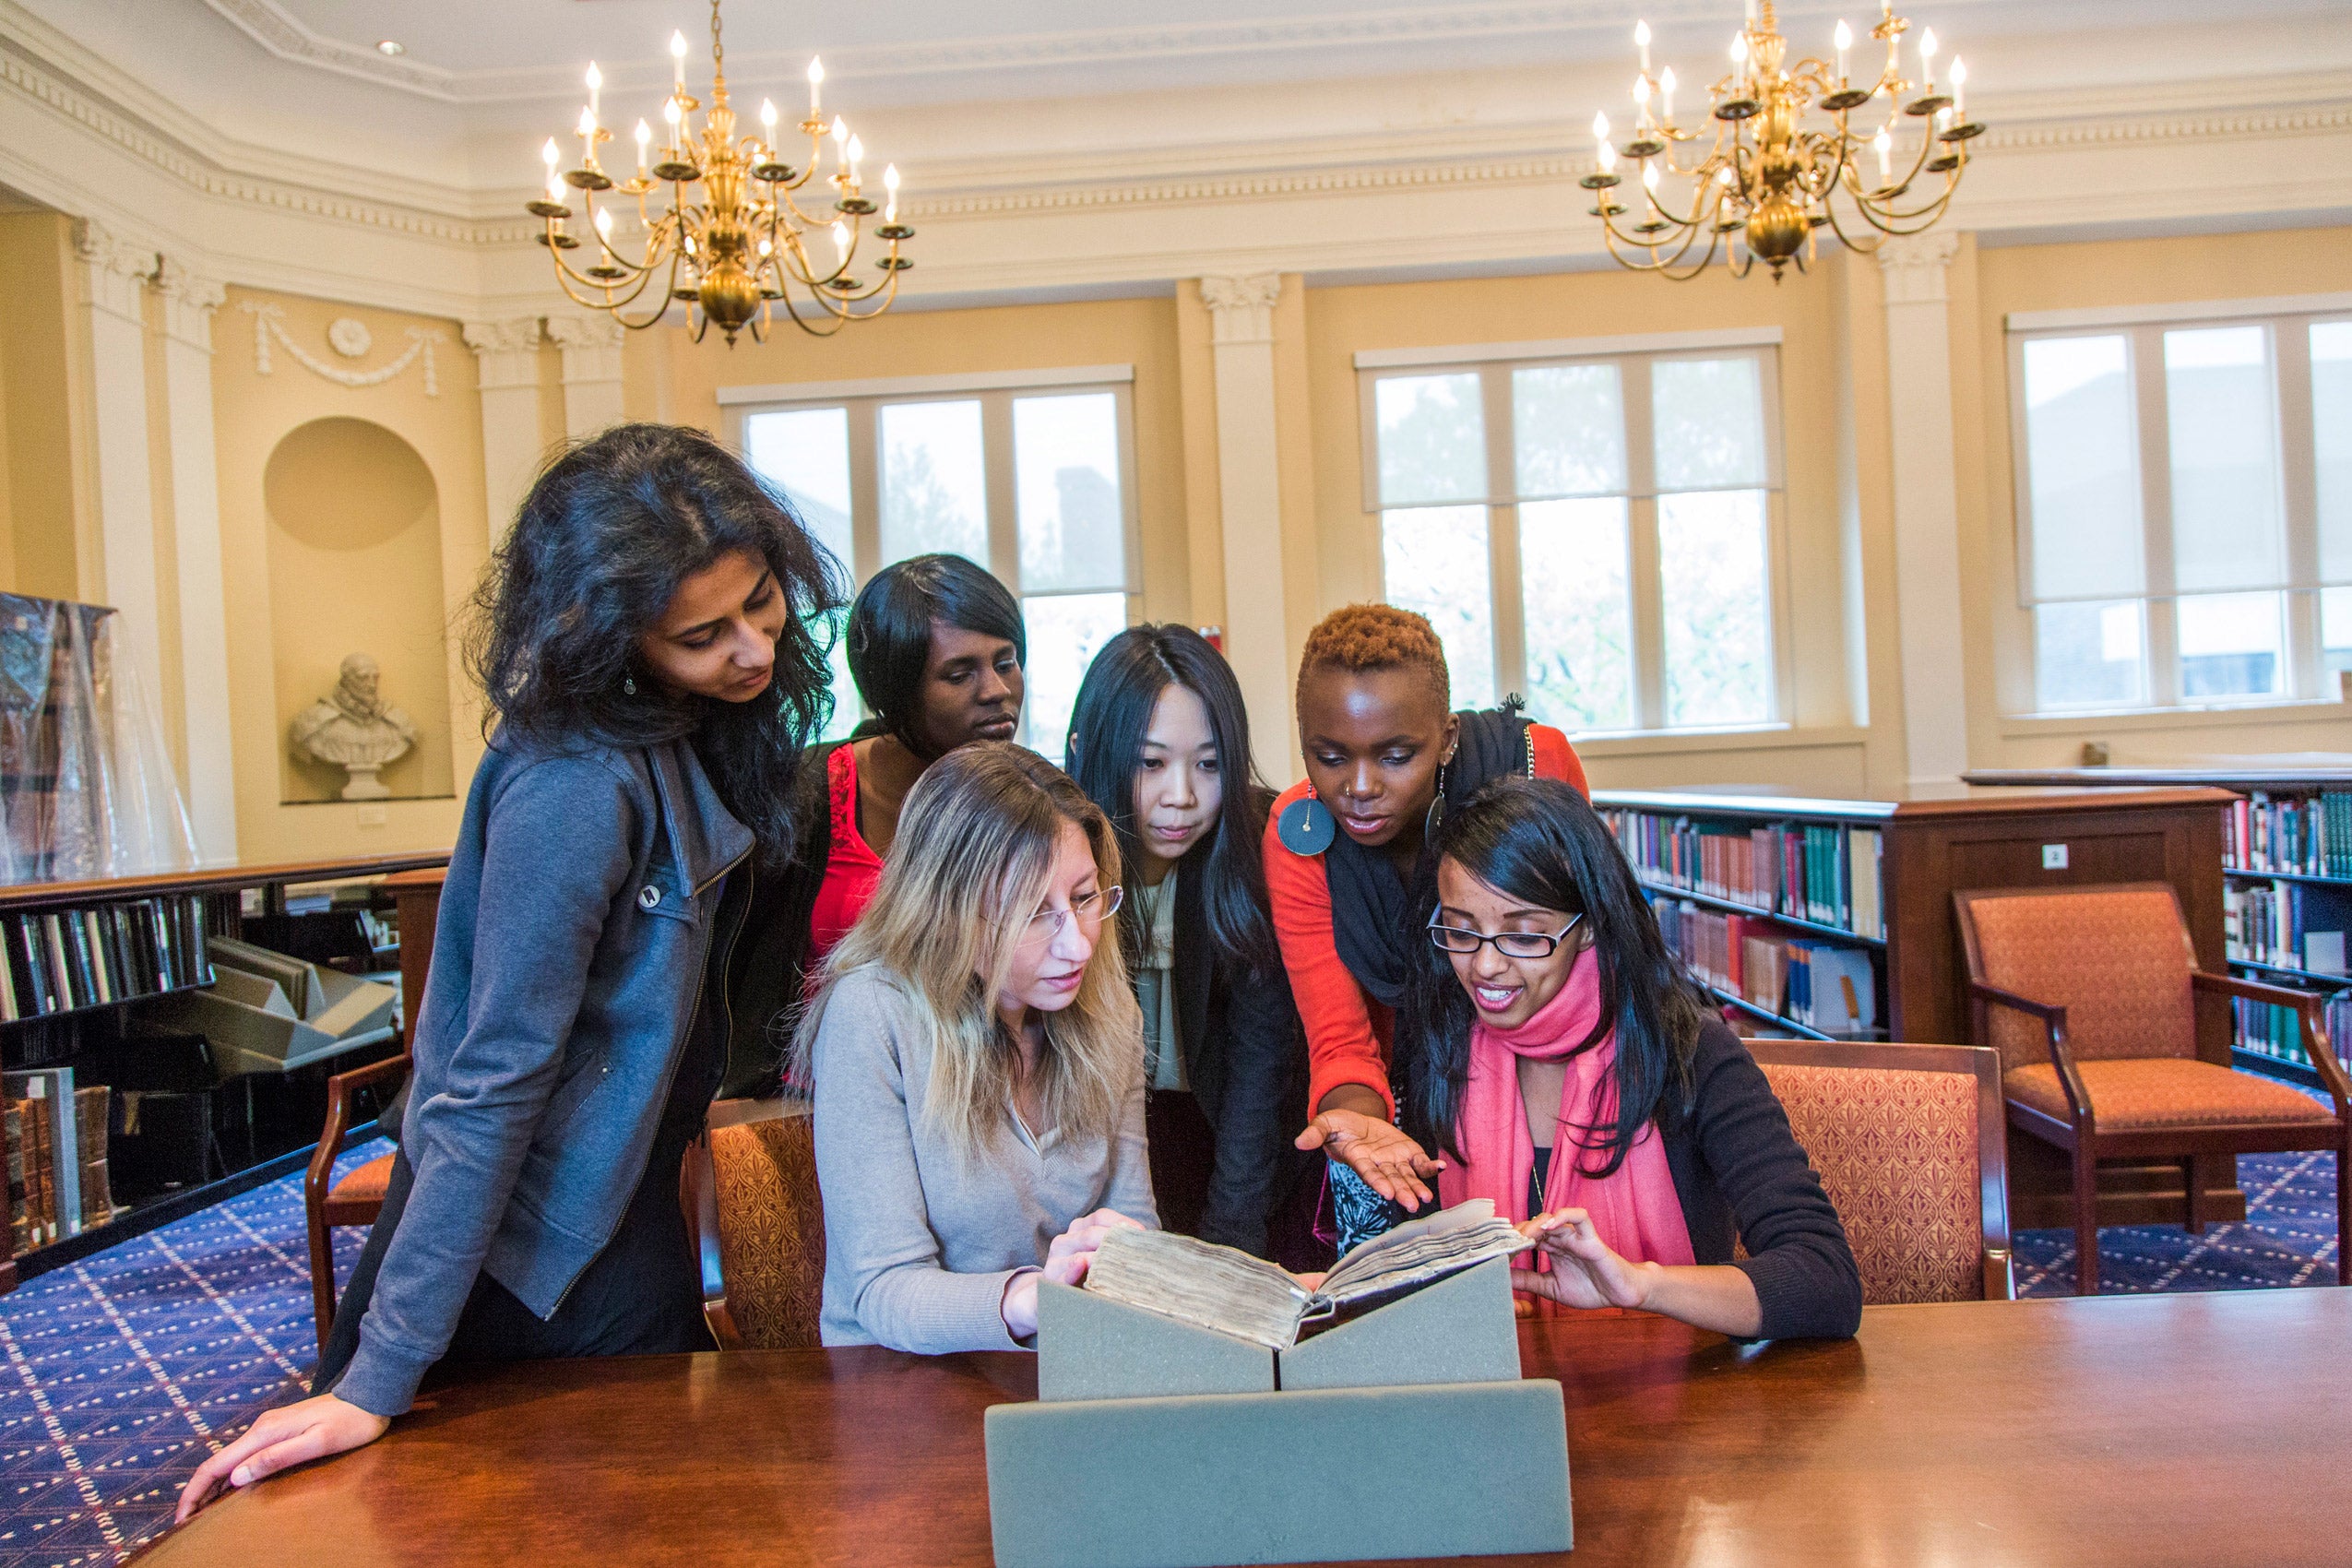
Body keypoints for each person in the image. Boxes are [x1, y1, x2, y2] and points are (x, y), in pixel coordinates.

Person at [175, 424, 845, 1519]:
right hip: (532, 1241)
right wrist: (381, 1369)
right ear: (607, 635)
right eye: (703, 632)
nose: (755, 648)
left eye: (761, 600)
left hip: (613, 1207)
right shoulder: (574, 783)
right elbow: (491, 1084)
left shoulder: (690, 721)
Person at [1413, 777, 1860, 1338]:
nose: (1483, 967)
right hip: (1502, 1394)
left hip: (1674, 1401)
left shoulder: (1690, 1053)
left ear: (1591, 928)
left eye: (1524, 937)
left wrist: (1641, 1285)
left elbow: (1828, 1283)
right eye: (1461, 931)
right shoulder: (1449, 1045)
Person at [803, 742, 1154, 1352]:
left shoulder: (1107, 1007)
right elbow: (886, 1291)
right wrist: (1033, 1296)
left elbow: (1135, 1228)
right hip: (898, 1389)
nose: (1078, 946)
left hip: (1055, 1366)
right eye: (1031, 912)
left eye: (1084, 896)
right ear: (947, 915)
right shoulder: (872, 1014)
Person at [1261, 603, 1589, 1250]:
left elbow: (1583, 967)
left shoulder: (1535, 766)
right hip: (1403, 1102)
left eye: (1395, 755)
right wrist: (1362, 1130)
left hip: (1552, 1088)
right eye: (1328, 756)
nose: (1359, 786)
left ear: (1446, 737)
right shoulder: (1296, 835)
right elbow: (1341, 1041)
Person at [725, 553, 1026, 1094]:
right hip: (812, 1105)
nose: (997, 690)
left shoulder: (1026, 803)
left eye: (1006, 662)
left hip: (967, 1106)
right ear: (894, 692)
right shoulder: (806, 795)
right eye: (960, 674)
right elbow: (742, 974)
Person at [1064, 624, 1309, 1260]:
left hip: (1240, 1141)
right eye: (1151, 764)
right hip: (1106, 1147)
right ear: (1088, 750)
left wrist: (1232, 1244)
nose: (1183, 797)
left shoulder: (1260, 841)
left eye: (1208, 764)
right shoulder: (1055, 855)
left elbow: (1261, 1061)